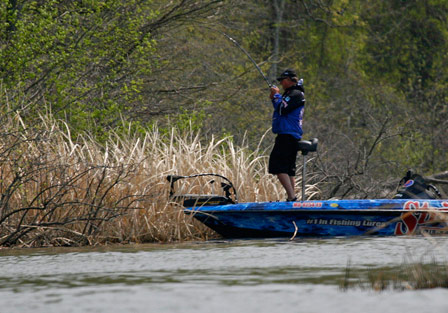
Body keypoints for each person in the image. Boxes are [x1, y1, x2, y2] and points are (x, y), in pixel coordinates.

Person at [268, 69, 305, 201]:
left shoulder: (295, 94)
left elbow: (282, 109)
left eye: (282, 80)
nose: (281, 83)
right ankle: (292, 197)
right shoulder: (293, 94)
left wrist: (277, 96)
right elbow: (280, 108)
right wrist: (275, 98)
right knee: (288, 169)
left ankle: (291, 197)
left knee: (278, 166)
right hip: (290, 135)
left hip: (287, 136)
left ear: (290, 80)